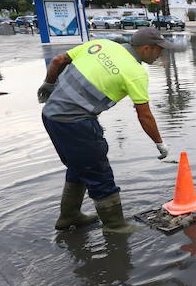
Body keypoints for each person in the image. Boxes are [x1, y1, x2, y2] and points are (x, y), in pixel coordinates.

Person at [37, 27, 173, 233]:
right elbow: (144, 115)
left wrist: (48, 85)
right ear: (146, 48)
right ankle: (115, 226)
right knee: (99, 172)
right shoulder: (135, 73)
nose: (160, 54)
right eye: (159, 50)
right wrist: (159, 143)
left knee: (79, 165)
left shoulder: (101, 44)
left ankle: (69, 215)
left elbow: (58, 61)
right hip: (76, 123)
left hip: (50, 116)